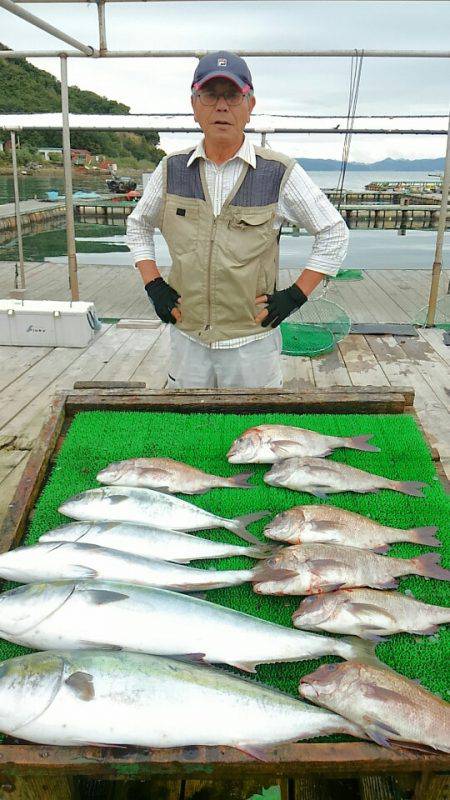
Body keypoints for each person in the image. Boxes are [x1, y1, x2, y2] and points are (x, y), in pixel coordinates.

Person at [126, 51, 349, 389]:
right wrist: (153, 284)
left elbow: (333, 232)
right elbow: (138, 225)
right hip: (188, 337)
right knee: (190, 429)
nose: (221, 106)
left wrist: (295, 296)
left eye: (232, 95)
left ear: (250, 104)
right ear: (194, 104)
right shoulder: (170, 169)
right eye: (209, 94)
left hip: (251, 343)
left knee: (254, 430)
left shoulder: (279, 172)